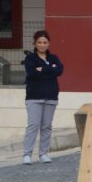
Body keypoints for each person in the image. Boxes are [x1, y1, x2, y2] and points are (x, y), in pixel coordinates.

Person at [22, 30, 63, 165]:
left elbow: (59, 70)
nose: (42, 45)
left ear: (48, 43)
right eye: (39, 42)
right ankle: (27, 154)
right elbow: (32, 73)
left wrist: (43, 69)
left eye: (45, 42)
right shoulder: (30, 59)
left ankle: (44, 154)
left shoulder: (54, 58)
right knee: (33, 125)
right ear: (35, 43)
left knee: (46, 127)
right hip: (34, 97)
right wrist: (50, 70)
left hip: (51, 96)